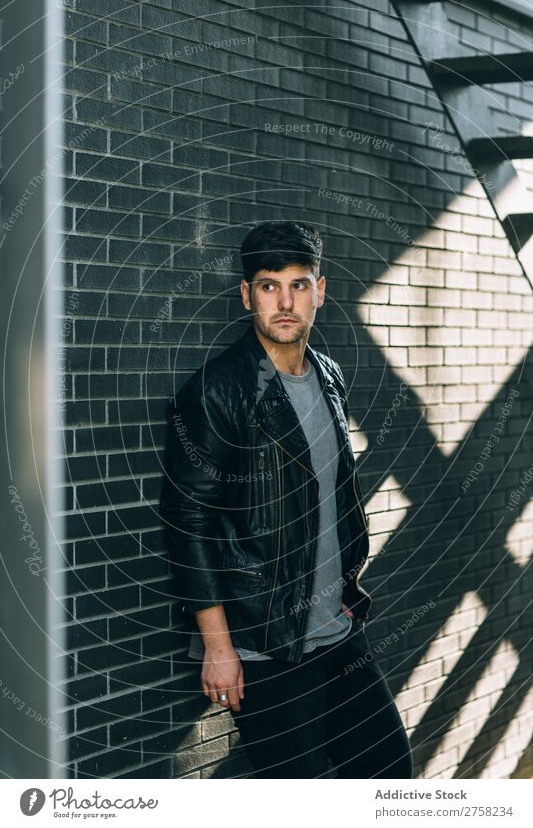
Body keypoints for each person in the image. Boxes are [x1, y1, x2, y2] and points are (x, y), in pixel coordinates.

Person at [159, 221, 413, 778]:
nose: (284, 301)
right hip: (264, 644)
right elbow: (186, 523)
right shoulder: (218, 390)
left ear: (320, 292)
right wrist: (218, 649)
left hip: (336, 630)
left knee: (389, 772)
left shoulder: (328, 376)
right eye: (269, 286)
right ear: (247, 295)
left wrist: (344, 581)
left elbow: (336, 490)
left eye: (298, 285)